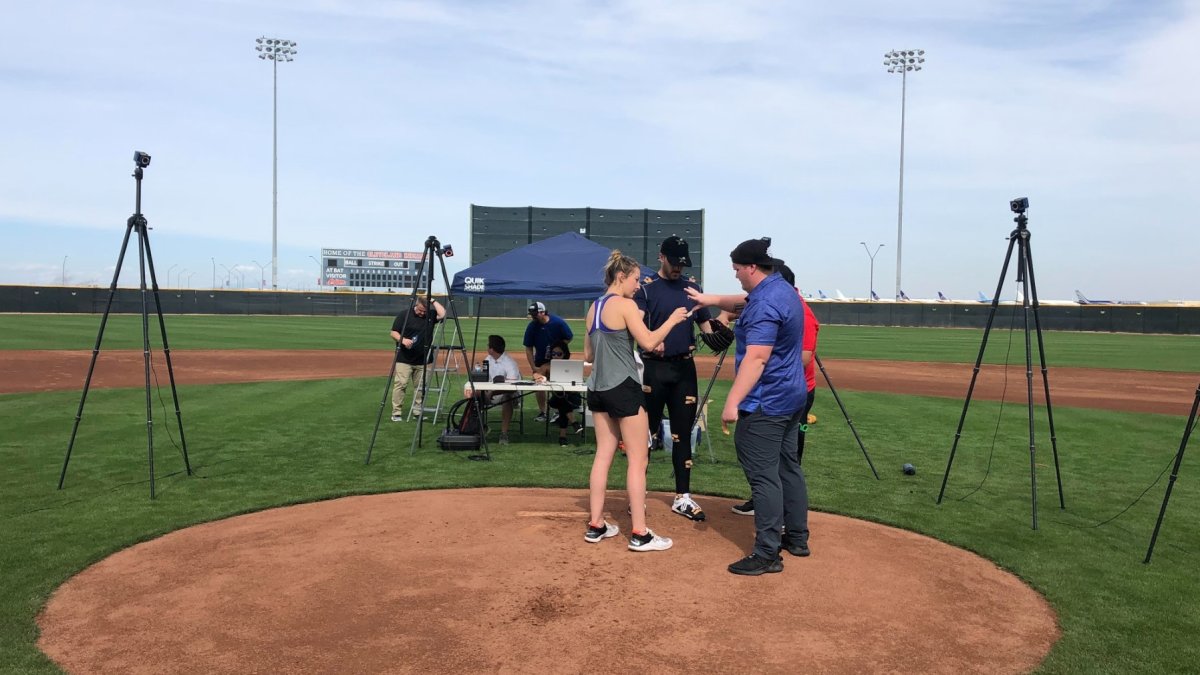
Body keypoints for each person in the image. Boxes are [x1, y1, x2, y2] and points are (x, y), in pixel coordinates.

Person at [687, 237, 809, 575]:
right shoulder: (782, 289)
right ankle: (797, 536)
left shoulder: (765, 305)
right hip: (792, 396)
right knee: (788, 467)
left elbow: (756, 358)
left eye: (738, 269)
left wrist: (732, 402)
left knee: (764, 477)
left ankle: (768, 552)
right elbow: (743, 299)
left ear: (752, 268)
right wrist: (708, 300)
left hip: (766, 402)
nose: (737, 275)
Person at [583, 249, 688, 552]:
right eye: (636, 280)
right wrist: (673, 320)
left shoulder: (593, 307)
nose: (638, 286)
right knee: (638, 459)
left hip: (597, 388)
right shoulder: (626, 305)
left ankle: (596, 524)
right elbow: (650, 342)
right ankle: (640, 532)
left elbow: (588, 355)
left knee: (603, 454)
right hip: (624, 387)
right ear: (621, 277)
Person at [634, 235, 719, 522]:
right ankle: (638, 494)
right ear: (661, 257)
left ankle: (682, 496)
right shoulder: (645, 289)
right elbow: (635, 326)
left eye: (682, 264)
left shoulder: (693, 289)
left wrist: (719, 330)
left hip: (684, 369)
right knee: (645, 435)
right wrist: (648, 340)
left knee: (683, 433)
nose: (678, 269)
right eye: (673, 263)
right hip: (652, 369)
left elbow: (706, 327)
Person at [732, 263, 820, 516]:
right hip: (785, 391)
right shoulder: (784, 301)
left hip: (779, 394)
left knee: (773, 467)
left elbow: (803, 356)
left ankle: (772, 534)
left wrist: (761, 357)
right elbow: (741, 302)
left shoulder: (796, 309)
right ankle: (792, 530)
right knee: (781, 464)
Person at [389, 296, 445, 422]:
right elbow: (393, 332)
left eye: (424, 311)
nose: (422, 313)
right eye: (420, 310)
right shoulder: (404, 314)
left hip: (423, 359)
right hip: (404, 357)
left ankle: (417, 412)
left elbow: (443, 314)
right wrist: (403, 340)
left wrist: (433, 301)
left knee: (420, 387)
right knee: (401, 384)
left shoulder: (430, 315)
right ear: (416, 305)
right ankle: (396, 412)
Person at [523, 301, 574, 422]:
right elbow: (528, 347)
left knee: (557, 384)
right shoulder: (532, 326)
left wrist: (559, 348)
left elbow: (569, 336)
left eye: (535, 314)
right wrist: (534, 366)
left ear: (543, 312)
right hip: (540, 360)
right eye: (532, 314)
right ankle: (543, 412)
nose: (533, 317)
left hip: (557, 360)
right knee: (539, 384)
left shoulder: (558, 322)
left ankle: (557, 410)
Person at [532, 339, 583, 447]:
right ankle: (574, 423)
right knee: (561, 400)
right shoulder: (546, 366)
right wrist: (539, 377)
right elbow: (536, 375)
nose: (555, 356)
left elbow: (579, 382)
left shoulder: (572, 366)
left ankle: (562, 437)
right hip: (557, 398)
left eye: (559, 354)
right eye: (553, 353)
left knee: (562, 403)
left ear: (564, 354)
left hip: (572, 397)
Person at [484, 334, 522, 444]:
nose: (487, 347)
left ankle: (504, 434)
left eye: (488, 345)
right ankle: (478, 427)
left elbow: (511, 387)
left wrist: (492, 393)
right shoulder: (488, 359)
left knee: (507, 397)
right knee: (475, 395)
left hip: (511, 395)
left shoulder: (510, 363)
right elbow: (483, 377)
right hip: (492, 394)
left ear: (491, 349)